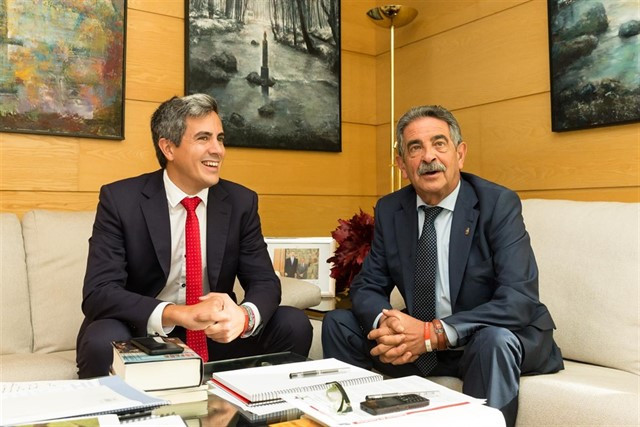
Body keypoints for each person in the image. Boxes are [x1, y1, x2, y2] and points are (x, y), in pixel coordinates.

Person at [322, 105, 563, 427]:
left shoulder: (497, 204)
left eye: (439, 144)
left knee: (493, 340)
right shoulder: (392, 209)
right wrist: (389, 324)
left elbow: (518, 299)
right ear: (402, 164)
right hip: (420, 348)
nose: (428, 157)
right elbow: (368, 285)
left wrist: (432, 333)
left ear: (459, 154)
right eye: (415, 148)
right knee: (339, 323)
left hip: (482, 338)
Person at [76, 94, 312, 378]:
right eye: (203, 138)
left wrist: (243, 317)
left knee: (293, 323)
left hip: (215, 335)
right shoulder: (120, 200)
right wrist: (178, 313)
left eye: (220, 139)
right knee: (102, 339)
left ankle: (253, 407)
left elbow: (264, 281)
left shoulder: (240, 202)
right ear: (168, 148)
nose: (218, 150)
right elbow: (99, 292)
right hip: (145, 332)